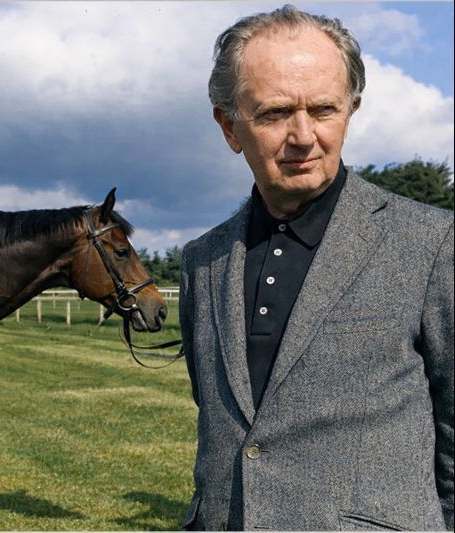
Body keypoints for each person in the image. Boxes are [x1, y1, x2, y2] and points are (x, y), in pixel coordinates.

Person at [179, 5, 453, 530]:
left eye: (323, 110)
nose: (303, 135)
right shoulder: (202, 262)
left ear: (350, 110)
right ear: (229, 126)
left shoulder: (434, 244)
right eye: (276, 113)